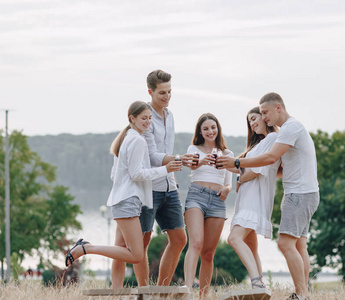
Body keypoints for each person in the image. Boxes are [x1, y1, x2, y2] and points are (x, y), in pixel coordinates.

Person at [217, 93, 320, 300]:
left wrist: (237, 164)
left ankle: (301, 295)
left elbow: (271, 158)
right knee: (299, 245)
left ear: (278, 108)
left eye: (265, 112)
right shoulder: (288, 130)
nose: (264, 117)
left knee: (285, 243)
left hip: (299, 193)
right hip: (304, 192)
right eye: (261, 113)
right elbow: (278, 168)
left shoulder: (290, 127)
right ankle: (304, 294)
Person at [65, 101, 182, 269]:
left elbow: (121, 174)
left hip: (126, 201)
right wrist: (165, 169)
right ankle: (86, 248)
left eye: (150, 118)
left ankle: (88, 250)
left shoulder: (129, 138)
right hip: (127, 201)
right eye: (144, 118)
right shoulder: (138, 141)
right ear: (132, 119)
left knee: (134, 252)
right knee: (136, 254)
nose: (148, 122)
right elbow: (137, 174)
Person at [111, 70, 193, 287]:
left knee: (179, 239)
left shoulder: (171, 115)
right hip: (149, 188)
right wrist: (176, 160)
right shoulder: (145, 120)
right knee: (143, 242)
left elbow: (164, 152)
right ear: (150, 92)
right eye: (162, 93)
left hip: (170, 185)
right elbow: (152, 156)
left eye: (169, 92)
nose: (167, 97)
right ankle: (145, 290)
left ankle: (161, 291)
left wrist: (180, 161)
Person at [226, 107, 280, 290]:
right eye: (249, 121)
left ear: (265, 118)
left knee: (234, 239)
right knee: (250, 244)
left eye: (254, 118)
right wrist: (222, 163)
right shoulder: (259, 144)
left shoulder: (272, 138)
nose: (252, 123)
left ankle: (256, 283)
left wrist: (240, 179)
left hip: (254, 199)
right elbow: (243, 167)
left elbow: (256, 169)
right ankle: (260, 284)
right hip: (248, 198)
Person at [183, 113, 233, 298]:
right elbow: (191, 166)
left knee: (209, 253)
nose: (210, 131)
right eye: (205, 129)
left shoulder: (227, 154)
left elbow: (229, 183)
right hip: (196, 196)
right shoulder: (193, 148)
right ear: (200, 132)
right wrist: (202, 161)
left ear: (217, 129)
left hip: (217, 201)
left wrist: (226, 190)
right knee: (195, 243)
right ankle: (188, 291)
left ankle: (203, 295)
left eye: (213, 127)